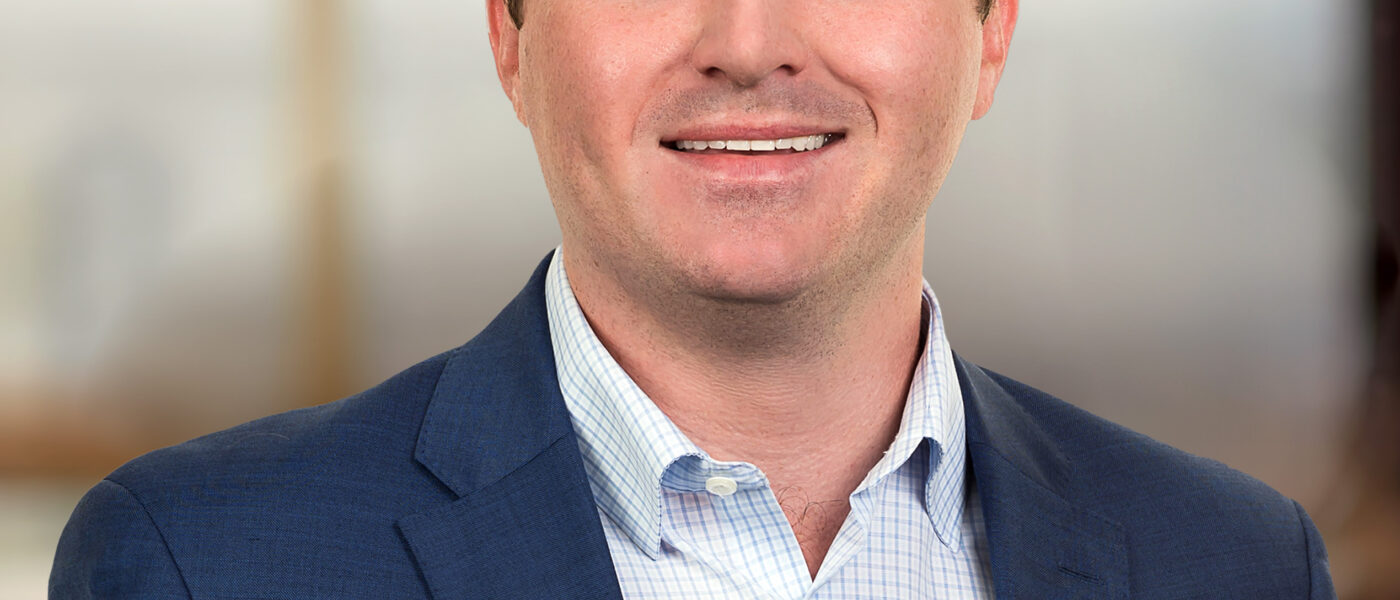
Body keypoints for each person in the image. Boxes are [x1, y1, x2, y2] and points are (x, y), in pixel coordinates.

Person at [50, 0, 1335, 597]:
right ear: (509, 34)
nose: (745, 37)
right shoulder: (202, 566)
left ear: (990, 29)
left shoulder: (1230, 563)